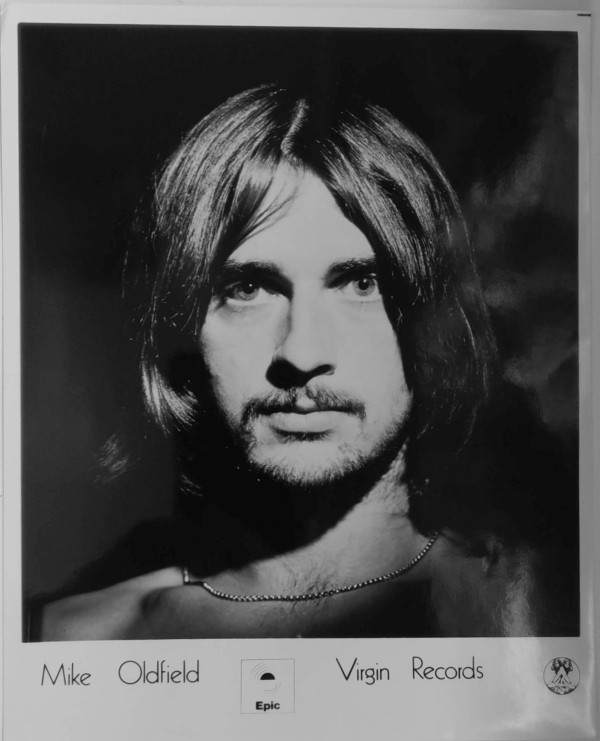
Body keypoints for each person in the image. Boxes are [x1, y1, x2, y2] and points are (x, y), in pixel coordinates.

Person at [38, 84, 578, 640]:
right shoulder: (73, 638)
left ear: (435, 311)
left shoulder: (555, 605)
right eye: (248, 289)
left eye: (363, 284)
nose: (302, 354)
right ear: (182, 326)